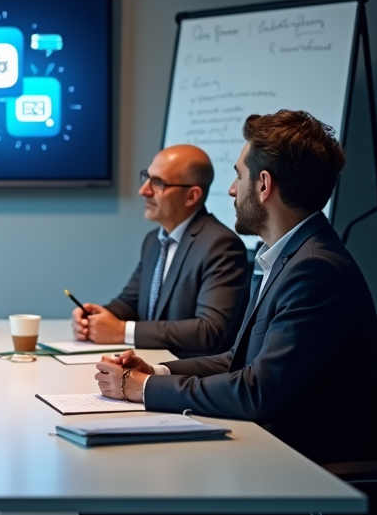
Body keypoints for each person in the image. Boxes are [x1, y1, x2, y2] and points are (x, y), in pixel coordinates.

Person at [82, 110, 377, 515]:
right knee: (108, 508)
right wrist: (153, 373)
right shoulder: (294, 257)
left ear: (263, 185)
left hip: (301, 501)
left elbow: (256, 393)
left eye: (239, 175)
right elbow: (241, 358)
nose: (231, 190)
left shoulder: (314, 269)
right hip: (275, 471)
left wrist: (141, 391)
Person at [72, 144, 250, 358]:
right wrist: (93, 318)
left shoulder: (221, 245)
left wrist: (121, 331)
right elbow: (130, 302)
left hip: (188, 378)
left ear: (191, 196)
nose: (143, 190)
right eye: (147, 177)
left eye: (158, 183)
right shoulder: (153, 241)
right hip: (149, 365)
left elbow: (210, 331)